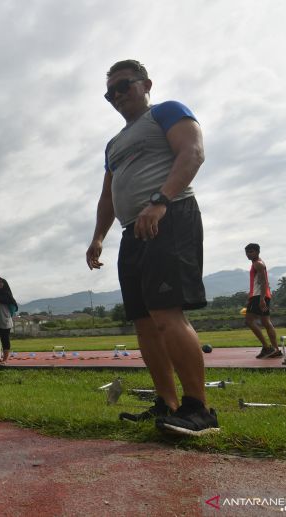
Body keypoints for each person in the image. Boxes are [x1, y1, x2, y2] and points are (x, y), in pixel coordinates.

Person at [85, 59, 219, 436]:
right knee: (144, 323)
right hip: (133, 230)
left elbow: (192, 152)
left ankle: (200, 409)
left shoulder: (166, 112)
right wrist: (98, 236)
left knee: (166, 314)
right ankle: (169, 403)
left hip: (170, 215)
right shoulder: (113, 144)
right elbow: (108, 196)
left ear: (146, 85)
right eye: (109, 92)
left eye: (124, 86)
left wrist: (160, 200)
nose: (116, 95)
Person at [245, 243, 281, 358]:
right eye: (247, 252)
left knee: (249, 321)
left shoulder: (258, 264)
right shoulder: (257, 263)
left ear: (257, 252)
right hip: (260, 296)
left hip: (259, 296)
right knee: (266, 322)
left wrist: (261, 299)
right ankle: (276, 350)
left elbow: (264, 282)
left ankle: (267, 347)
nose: (248, 254)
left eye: (251, 252)